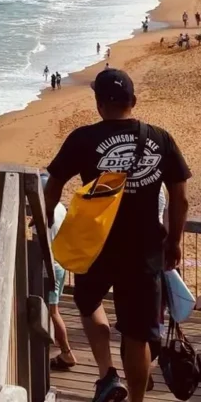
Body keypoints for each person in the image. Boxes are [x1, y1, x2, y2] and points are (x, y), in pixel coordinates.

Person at [44, 68, 190, 402]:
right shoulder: (160, 137)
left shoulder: (82, 138)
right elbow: (180, 197)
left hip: (96, 246)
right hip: (145, 251)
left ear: (98, 104)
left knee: (87, 303)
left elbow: (51, 190)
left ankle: (107, 374)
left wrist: (45, 226)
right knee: (137, 334)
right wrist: (174, 241)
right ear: (133, 101)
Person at [40, 173, 76, 370]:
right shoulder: (62, 208)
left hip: (49, 267)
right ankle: (52, 346)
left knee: (52, 312)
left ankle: (67, 352)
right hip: (59, 264)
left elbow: (39, 243)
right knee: (49, 309)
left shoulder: (46, 213)